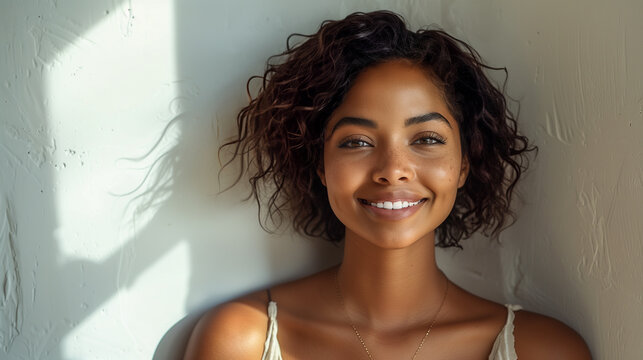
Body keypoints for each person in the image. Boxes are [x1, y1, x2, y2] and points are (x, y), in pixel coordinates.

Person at [184, 10, 591, 360]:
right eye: (356, 142)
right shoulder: (242, 340)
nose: (393, 170)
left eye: (427, 139)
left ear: (464, 163)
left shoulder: (541, 350)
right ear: (321, 166)